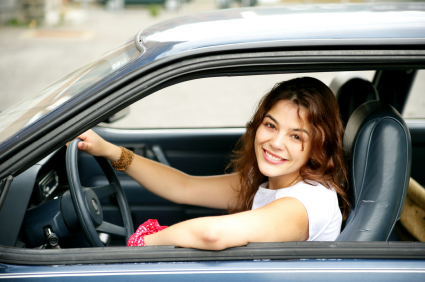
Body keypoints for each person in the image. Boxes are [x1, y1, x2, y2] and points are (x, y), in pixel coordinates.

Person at [75, 77, 350, 250]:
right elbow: (183, 187)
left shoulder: (306, 203)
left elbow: (212, 234)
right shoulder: (269, 181)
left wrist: (144, 242)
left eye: (295, 136)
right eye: (270, 125)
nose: (276, 142)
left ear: (318, 145)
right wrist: (109, 151)